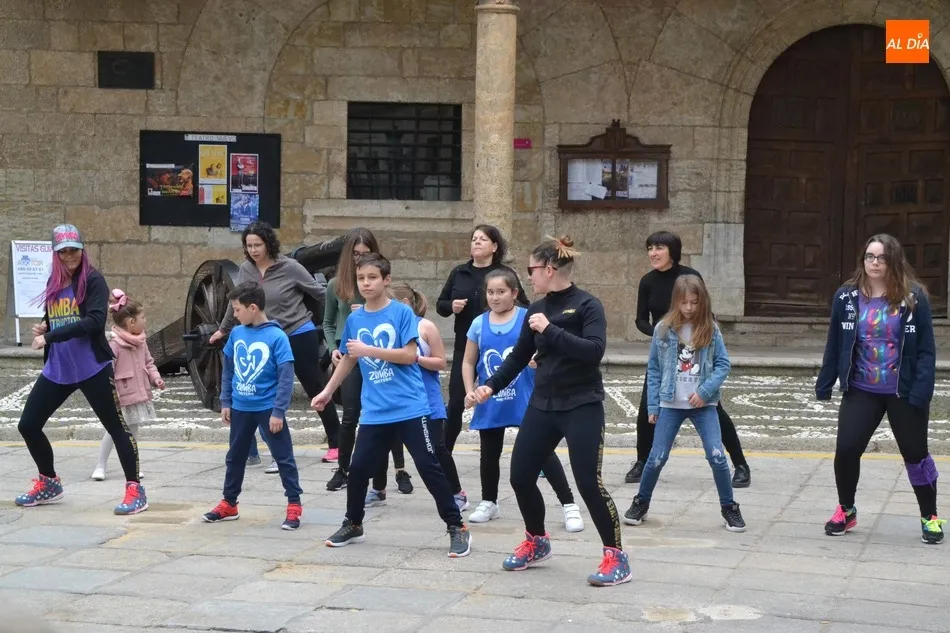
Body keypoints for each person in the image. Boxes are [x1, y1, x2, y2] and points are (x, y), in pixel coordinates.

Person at [472, 236, 628, 586]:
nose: (528, 276)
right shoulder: (536, 309)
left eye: (531, 270)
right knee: (520, 475)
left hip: (582, 404)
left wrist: (550, 329)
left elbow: (594, 352)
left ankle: (616, 556)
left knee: (588, 482)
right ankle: (537, 541)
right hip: (543, 404)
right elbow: (517, 357)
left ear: (548, 269)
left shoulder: (588, 305)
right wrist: (489, 386)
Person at [312, 254, 472, 557]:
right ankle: (353, 523)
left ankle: (456, 526)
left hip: (410, 407)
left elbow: (410, 355)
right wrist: (327, 391)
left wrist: (369, 349)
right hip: (375, 411)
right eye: (361, 278)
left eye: (372, 277)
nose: (366, 283)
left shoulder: (401, 313)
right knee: (358, 469)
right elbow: (349, 358)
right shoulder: (356, 319)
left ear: (386, 280)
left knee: (428, 467)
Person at [816, 234, 943, 544]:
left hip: (903, 391)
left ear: (893, 261)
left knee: (915, 454)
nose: (874, 262)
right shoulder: (846, 297)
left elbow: (926, 350)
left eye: (881, 257)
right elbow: (836, 342)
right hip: (861, 389)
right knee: (847, 449)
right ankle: (846, 510)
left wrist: (922, 391)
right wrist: (826, 381)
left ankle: (930, 516)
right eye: (869, 257)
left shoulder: (914, 297)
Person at [15, 224, 146, 515]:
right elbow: (60, 317)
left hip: (91, 367)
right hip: (59, 368)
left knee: (116, 427)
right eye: (62, 251)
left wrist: (50, 336)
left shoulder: (93, 279)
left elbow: (94, 321)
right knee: (28, 425)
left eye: (73, 249)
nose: (69, 256)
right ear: (55, 254)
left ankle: (135, 490)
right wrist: (46, 326)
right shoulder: (54, 280)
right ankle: (49, 482)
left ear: (82, 249)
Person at [210, 221, 341, 469]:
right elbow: (236, 302)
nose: (253, 250)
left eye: (257, 245)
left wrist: (341, 317)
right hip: (265, 337)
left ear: (268, 243)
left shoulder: (290, 267)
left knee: (315, 387)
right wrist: (223, 330)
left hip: (297, 332)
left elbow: (320, 293)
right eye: (249, 246)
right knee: (267, 392)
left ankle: (337, 443)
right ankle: (272, 450)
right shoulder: (246, 269)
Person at [625, 230, 750, 489]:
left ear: (672, 251)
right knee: (647, 409)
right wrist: (662, 334)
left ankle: (740, 464)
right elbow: (640, 320)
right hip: (664, 354)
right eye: (650, 248)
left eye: (659, 248)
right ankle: (641, 461)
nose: (653, 253)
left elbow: (705, 312)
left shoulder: (690, 277)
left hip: (696, 352)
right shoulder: (647, 281)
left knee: (714, 410)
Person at [463, 269, 584, 532]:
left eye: (501, 292)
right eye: (490, 292)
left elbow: (546, 348)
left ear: (514, 293)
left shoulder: (527, 317)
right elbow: (469, 361)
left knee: (542, 452)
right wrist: (469, 389)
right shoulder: (479, 324)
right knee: (489, 451)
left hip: (525, 395)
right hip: (492, 394)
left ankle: (569, 504)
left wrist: (538, 360)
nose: (495, 297)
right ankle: (489, 501)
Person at [623, 275, 747, 533]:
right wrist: (653, 406)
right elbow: (654, 369)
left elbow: (723, 364)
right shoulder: (663, 329)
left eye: (694, 302)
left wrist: (704, 391)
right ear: (676, 302)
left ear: (703, 302)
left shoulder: (710, 329)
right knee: (656, 457)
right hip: (670, 403)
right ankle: (641, 502)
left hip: (704, 406)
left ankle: (729, 507)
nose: (689, 308)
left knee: (717, 456)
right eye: (684, 302)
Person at [201, 281, 304, 531]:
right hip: (240, 408)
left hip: (268, 409)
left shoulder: (277, 337)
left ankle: (294, 504)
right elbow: (228, 370)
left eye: (237, 310)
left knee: (283, 457)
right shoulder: (237, 334)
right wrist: (226, 401)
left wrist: (278, 411)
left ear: (253, 308)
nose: (234, 315)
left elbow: (286, 378)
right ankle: (229, 503)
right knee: (235, 457)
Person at [323, 227, 410, 494]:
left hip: (378, 351)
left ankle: (400, 469)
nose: (360, 259)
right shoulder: (336, 285)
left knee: (389, 411)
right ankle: (343, 469)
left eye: (365, 253)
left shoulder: (379, 284)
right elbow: (328, 323)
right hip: (349, 351)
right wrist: (332, 348)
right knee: (350, 415)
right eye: (356, 254)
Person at [365, 282, 466, 510]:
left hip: (425, 399)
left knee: (436, 448)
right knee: (381, 444)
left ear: (404, 304)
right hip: (393, 397)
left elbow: (440, 362)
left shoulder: (425, 326)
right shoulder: (385, 327)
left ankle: (457, 492)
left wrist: (415, 358)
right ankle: (378, 489)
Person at [437, 225, 528, 454]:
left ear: (494, 246)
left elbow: (524, 305)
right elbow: (440, 305)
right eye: (474, 238)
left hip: (501, 346)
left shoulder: (504, 274)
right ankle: (444, 455)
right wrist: (451, 306)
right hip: (466, 344)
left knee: (515, 399)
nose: (476, 242)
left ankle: (536, 456)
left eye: (483, 239)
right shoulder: (459, 272)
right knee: (456, 401)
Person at [91, 289, 165, 481]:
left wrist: (155, 378)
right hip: (120, 396)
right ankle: (100, 465)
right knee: (113, 431)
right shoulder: (114, 344)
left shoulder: (141, 341)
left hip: (137, 394)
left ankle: (133, 464)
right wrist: (109, 394)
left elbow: (149, 363)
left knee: (134, 431)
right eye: (143, 317)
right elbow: (108, 371)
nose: (145, 320)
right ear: (131, 322)